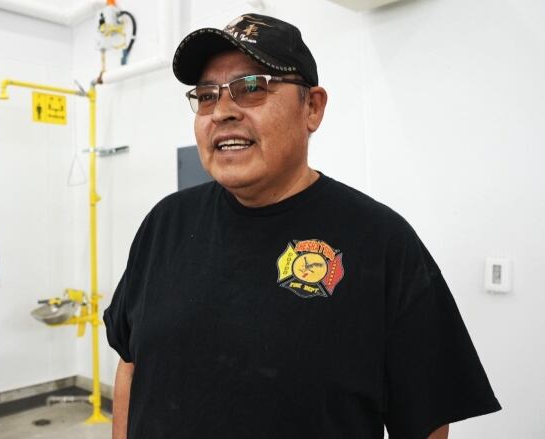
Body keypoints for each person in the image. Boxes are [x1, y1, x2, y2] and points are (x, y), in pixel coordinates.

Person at [103, 13, 501, 439]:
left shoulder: (382, 242)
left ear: (312, 107)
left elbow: (423, 422)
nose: (221, 112)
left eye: (251, 88)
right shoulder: (164, 224)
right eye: (205, 96)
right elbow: (131, 364)